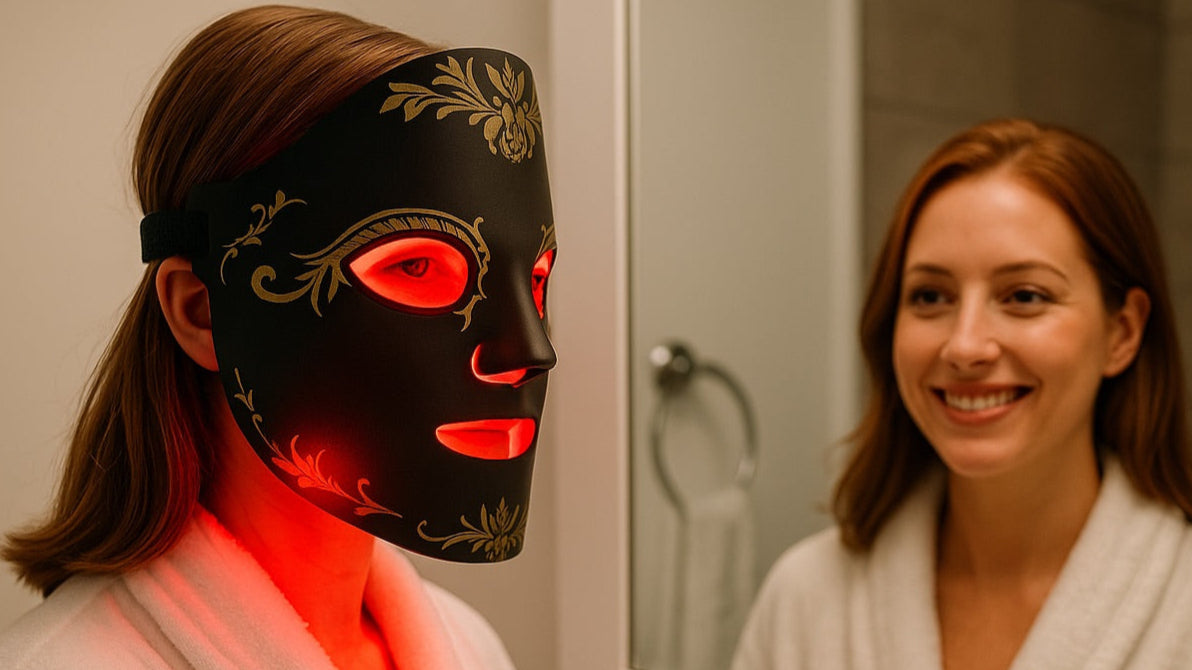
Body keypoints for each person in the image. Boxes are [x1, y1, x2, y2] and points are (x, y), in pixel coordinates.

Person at [0, 6, 558, 669]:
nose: (530, 351)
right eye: (413, 266)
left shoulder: (472, 647)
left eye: (536, 281)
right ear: (201, 310)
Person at [732, 118, 1192, 670]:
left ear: (1122, 333)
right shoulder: (806, 599)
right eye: (930, 296)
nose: (964, 346)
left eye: (1024, 295)